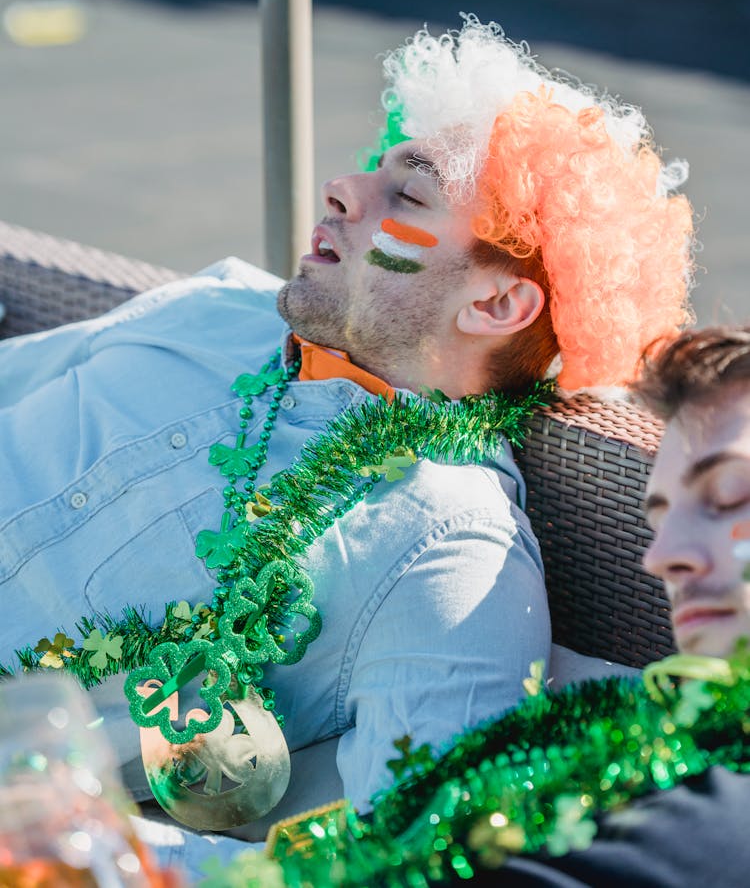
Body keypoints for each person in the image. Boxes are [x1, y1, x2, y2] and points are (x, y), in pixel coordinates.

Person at [0, 17, 693, 844]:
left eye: (407, 194)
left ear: (497, 304)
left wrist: (85, 843)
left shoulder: (452, 546)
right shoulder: (217, 302)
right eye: (375, 168)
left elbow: (410, 846)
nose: (341, 188)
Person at [259, 325, 750, 888]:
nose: (663, 556)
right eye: (660, 520)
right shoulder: (624, 732)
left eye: (728, 495)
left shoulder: (714, 820)